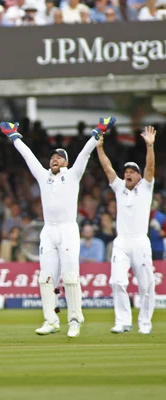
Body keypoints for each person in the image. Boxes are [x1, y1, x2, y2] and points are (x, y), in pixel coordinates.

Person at [0, 116, 115, 337]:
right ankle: (50, 320)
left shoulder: (72, 175)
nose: (55, 159)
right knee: (46, 278)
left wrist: (100, 129)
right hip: (49, 230)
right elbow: (28, 156)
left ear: (66, 163)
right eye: (53, 156)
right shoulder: (43, 177)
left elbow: (85, 153)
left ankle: (74, 320)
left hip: (68, 230)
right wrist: (13, 136)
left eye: (60, 157)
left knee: (70, 277)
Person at [96, 126, 156, 335]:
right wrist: (99, 148)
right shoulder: (119, 187)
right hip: (121, 242)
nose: (128, 174)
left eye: (132, 172)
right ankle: (123, 321)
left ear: (139, 176)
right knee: (117, 281)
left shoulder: (146, 187)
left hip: (140, 241)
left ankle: (145, 323)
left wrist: (149, 146)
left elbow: (150, 167)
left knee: (146, 284)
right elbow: (107, 168)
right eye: (126, 172)